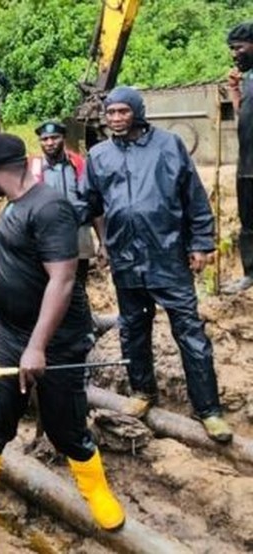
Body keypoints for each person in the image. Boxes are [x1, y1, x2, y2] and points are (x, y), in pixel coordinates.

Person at [0, 133, 124, 554]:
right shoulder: (13, 207)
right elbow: (2, 258)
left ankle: (97, 493)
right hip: (8, 334)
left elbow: (63, 280)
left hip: (56, 341)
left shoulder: (51, 209)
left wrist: (38, 347)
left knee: (66, 427)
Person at [84, 86, 232, 443]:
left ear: (137, 112)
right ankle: (142, 392)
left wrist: (200, 243)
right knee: (133, 328)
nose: (116, 118)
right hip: (125, 258)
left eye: (123, 111)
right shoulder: (99, 155)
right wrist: (102, 243)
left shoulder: (168, 146)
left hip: (167, 255)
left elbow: (193, 196)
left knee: (190, 332)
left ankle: (208, 409)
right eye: (111, 113)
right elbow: (91, 205)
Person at [29, 121, 98, 292]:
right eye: (45, 139)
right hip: (47, 236)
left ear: (64, 138)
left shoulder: (79, 164)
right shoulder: (32, 168)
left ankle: (81, 317)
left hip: (78, 234)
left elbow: (94, 202)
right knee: (50, 285)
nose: (50, 143)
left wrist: (103, 241)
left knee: (79, 284)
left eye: (55, 138)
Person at [224, 22, 253, 294]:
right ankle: (250, 274)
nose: (235, 54)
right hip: (247, 165)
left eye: (239, 47)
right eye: (232, 49)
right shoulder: (249, 82)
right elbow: (243, 117)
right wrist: (235, 93)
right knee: (249, 223)